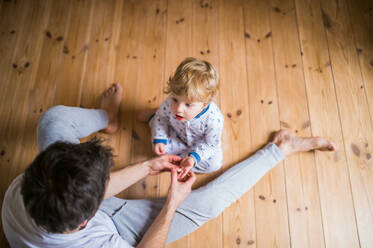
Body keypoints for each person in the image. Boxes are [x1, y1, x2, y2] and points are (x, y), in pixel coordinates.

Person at [1, 83, 336, 248]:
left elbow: (86, 187)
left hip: (65, 209)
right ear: (90, 215)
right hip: (112, 229)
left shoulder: (26, 186)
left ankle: (108, 117)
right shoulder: (96, 244)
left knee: (53, 120)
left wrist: (149, 166)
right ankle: (281, 148)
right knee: (207, 204)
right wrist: (173, 203)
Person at [140, 57, 224, 180]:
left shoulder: (214, 119)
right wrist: (160, 139)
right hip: (176, 135)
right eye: (175, 99)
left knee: (215, 164)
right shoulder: (170, 103)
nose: (178, 108)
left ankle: (183, 163)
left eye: (188, 104)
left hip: (199, 146)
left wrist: (193, 158)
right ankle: (152, 117)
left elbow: (211, 144)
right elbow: (162, 118)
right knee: (160, 149)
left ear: (205, 104)